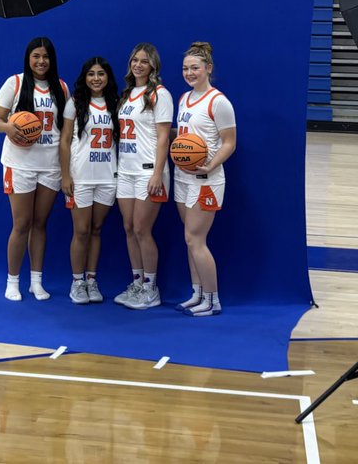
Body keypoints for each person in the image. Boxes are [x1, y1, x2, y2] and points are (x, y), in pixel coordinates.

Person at [0, 37, 68, 301]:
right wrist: (10, 128)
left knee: (40, 223)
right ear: (28, 57)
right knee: (21, 224)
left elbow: (64, 130)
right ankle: (12, 282)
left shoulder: (61, 87)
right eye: (36, 56)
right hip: (20, 163)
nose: (41, 61)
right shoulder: (14, 83)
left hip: (50, 166)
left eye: (45, 56)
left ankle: (37, 281)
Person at [174, 41, 237, 317]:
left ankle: (213, 300)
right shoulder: (183, 99)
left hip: (206, 180)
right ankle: (197, 293)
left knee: (195, 239)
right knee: (190, 240)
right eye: (186, 68)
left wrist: (209, 164)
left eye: (195, 68)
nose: (190, 73)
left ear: (208, 68)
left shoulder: (218, 101)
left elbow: (229, 142)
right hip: (182, 177)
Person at [114, 43, 174, 311]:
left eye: (144, 61)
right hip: (125, 170)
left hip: (149, 171)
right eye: (134, 60)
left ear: (153, 66)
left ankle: (151, 288)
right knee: (129, 228)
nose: (138, 65)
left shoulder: (160, 94)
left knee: (142, 229)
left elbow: (164, 138)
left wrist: (158, 173)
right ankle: (137, 282)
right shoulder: (127, 94)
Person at [59, 57, 120, 304]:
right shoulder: (75, 103)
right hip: (81, 177)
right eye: (91, 74)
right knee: (81, 230)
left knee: (96, 229)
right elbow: (64, 141)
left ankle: (92, 281)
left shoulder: (116, 103)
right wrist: (65, 175)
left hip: (107, 176)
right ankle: (77, 282)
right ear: (85, 77)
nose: (96, 78)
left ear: (108, 77)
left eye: (101, 74)